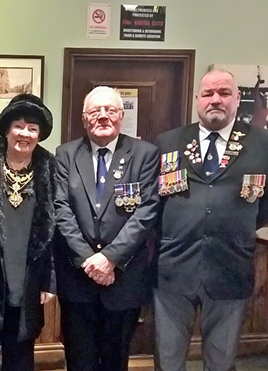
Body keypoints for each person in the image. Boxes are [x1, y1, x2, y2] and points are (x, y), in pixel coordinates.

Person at [153, 69, 268, 371]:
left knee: (221, 362)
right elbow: (154, 202)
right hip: (173, 268)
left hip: (230, 266)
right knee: (167, 361)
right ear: (197, 100)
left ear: (236, 99)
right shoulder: (168, 142)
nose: (215, 100)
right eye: (208, 93)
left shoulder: (263, 144)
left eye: (224, 93)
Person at [54, 86, 160, 371]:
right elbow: (60, 209)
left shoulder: (145, 154)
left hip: (123, 279)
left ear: (121, 115)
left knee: (116, 360)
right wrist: (90, 260)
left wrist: (110, 258)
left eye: (110, 110)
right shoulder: (65, 154)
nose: (103, 116)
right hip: (78, 278)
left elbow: (147, 210)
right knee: (79, 359)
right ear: (84, 118)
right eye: (95, 111)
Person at [0, 94, 57, 371]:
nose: (24, 133)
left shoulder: (49, 166)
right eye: (19, 125)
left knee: (20, 359)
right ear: (6, 129)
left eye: (33, 128)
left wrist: (49, 281)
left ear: (39, 134)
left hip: (27, 280)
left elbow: (55, 228)